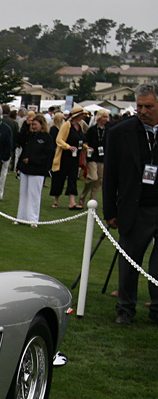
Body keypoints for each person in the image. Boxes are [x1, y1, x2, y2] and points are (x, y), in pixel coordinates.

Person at [103, 83, 158, 325]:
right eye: (140, 106)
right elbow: (110, 176)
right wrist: (110, 212)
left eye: (149, 106)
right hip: (134, 208)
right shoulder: (119, 132)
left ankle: (157, 309)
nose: (143, 110)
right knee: (129, 262)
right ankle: (125, 309)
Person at [15, 113, 54, 225]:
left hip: (37, 170)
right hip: (25, 169)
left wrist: (32, 160)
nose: (34, 127)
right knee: (23, 194)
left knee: (34, 195)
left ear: (42, 125)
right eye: (32, 124)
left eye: (35, 124)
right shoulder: (30, 135)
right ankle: (20, 217)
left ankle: (33, 219)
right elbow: (19, 139)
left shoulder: (47, 138)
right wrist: (26, 125)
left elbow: (47, 155)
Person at [50, 105, 88, 210]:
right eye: (82, 115)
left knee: (72, 178)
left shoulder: (80, 126)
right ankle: (56, 200)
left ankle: (72, 202)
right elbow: (59, 139)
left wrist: (86, 147)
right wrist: (68, 147)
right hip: (64, 156)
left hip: (75, 157)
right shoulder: (67, 125)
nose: (84, 117)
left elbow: (80, 141)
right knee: (59, 177)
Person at [82, 109, 110, 206]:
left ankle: (92, 201)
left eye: (106, 117)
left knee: (99, 181)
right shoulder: (92, 130)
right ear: (99, 117)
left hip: (102, 157)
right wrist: (87, 147)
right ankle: (83, 195)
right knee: (93, 177)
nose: (105, 119)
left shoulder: (108, 130)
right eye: (104, 117)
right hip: (92, 156)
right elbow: (85, 143)